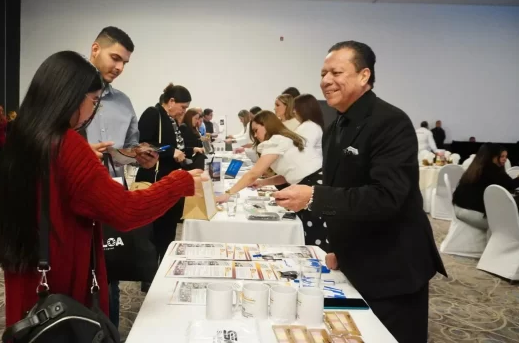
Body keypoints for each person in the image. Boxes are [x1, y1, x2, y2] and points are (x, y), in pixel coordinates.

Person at [0, 51, 203, 329]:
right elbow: (125, 211)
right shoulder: (68, 145)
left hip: (26, 265)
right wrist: (179, 183)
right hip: (62, 276)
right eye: (93, 101)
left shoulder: (23, 137)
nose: (93, 110)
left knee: (31, 330)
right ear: (71, 97)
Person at [272, 41, 446, 343]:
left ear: (364, 76)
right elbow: (344, 191)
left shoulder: (390, 122)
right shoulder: (335, 127)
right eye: (323, 73)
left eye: (336, 72)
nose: (326, 80)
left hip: (394, 265)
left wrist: (314, 196)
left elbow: (386, 197)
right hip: (358, 259)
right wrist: (342, 246)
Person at [84, 27, 158, 327]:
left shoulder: (124, 102)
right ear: (95, 49)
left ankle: (109, 333)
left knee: (108, 270)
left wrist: (140, 154)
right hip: (72, 194)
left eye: (125, 62)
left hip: (112, 193)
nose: (119, 67)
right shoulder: (65, 93)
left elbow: (128, 147)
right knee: (73, 270)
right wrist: (80, 151)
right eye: (115, 58)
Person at [217, 110, 327, 249]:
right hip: (314, 182)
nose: (256, 135)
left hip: (311, 184)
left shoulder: (276, 141)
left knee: (314, 230)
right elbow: (286, 175)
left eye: (256, 130)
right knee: (312, 229)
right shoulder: (285, 139)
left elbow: (254, 173)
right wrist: (262, 182)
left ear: (267, 125)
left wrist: (229, 193)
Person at [136, 83, 192, 264]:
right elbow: (142, 144)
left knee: (168, 229)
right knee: (154, 231)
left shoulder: (170, 120)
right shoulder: (153, 114)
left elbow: (173, 146)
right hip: (155, 179)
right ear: (171, 101)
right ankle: (149, 273)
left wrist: (185, 151)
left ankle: (163, 267)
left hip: (170, 181)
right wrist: (171, 152)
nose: (183, 111)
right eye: (183, 107)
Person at [453, 143, 519, 228]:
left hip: (458, 208)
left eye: (505, 157)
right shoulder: (492, 170)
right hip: (475, 215)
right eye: (502, 156)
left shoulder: (474, 168)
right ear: (492, 156)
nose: (505, 159)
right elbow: (511, 185)